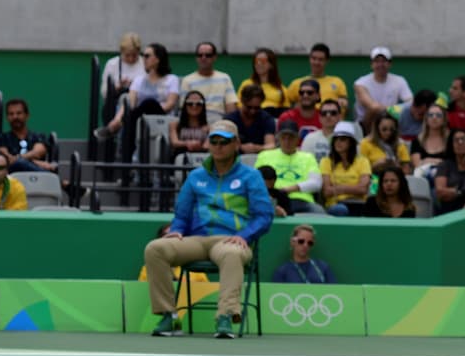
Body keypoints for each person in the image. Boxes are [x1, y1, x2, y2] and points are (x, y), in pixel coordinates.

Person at [143, 118, 272, 338]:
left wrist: (245, 236)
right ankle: (169, 316)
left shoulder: (251, 176)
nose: (219, 146)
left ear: (236, 144)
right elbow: (182, 214)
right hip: (197, 240)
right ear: (208, 144)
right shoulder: (196, 177)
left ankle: (225, 317)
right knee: (155, 249)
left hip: (231, 240)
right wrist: (177, 230)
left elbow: (264, 216)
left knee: (231, 254)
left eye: (225, 142)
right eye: (215, 141)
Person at [101, 43, 179, 172]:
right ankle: (118, 128)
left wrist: (147, 110)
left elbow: (170, 104)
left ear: (158, 59)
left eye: (147, 55)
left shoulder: (171, 79)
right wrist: (118, 118)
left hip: (161, 117)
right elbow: (130, 102)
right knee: (133, 114)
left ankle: (115, 132)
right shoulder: (139, 80)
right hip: (139, 119)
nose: (144, 59)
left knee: (149, 103)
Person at [255, 122, 325, 214]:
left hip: (301, 200)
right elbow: (256, 180)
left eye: (291, 138)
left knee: (319, 212)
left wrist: (287, 189)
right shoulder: (265, 155)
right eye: (283, 138)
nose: (287, 142)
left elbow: (316, 183)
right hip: (272, 199)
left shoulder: (308, 157)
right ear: (278, 138)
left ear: (297, 139)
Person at [319, 122, 371, 217]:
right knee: (341, 210)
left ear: (351, 142)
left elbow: (363, 189)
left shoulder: (363, 161)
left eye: (342, 139)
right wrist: (353, 188)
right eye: (336, 139)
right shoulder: (326, 162)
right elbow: (326, 191)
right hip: (335, 204)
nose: (338, 142)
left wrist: (338, 188)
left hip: (358, 204)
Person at [354, 46, 413, 128]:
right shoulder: (360, 83)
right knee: (373, 110)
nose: (380, 64)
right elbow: (373, 107)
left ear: (390, 64)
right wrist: (394, 110)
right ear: (371, 64)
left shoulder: (399, 80)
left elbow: (411, 102)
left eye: (384, 61)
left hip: (390, 122)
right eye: (377, 61)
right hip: (365, 125)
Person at [0, 99, 56, 173]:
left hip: (36, 178)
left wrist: (19, 159)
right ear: (7, 117)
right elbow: (5, 158)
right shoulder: (1, 138)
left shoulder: (38, 136)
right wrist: (35, 162)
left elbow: (37, 153)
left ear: (27, 115)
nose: (15, 117)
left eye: (19, 113)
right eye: (11, 114)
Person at [100, 32, 146, 129]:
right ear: (121, 51)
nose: (131, 59)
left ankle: (115, 126)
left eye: (134, 55)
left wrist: (135, 86)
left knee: (128, 99)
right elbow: (104, 93)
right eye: (127, 55)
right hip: (114, 105)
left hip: (138, 104)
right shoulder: (112, 64)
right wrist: (117, 87)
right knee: (125, 99)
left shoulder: (144, 64)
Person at [272, 224, 336, 283]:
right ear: (292, 242)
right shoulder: (282, 271)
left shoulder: (323, 267)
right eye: (301, 241)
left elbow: (335, 292)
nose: (305, 245)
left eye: (309, 243)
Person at [238, 47, 287, 113]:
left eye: (263, 61)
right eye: (256, 61)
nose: (259, 63)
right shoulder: (247, 84)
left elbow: (286, 109)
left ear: (271, 64)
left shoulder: (280, 87)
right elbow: (239, 105)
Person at [168, 91, 211, 159]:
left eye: (199, 103)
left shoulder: (210, 128)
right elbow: (174, 142)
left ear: (203, 106)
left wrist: (197, 146)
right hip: (179, 159)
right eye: (190, 103)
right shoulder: (174, 125)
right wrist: (188, 143)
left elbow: (207, 146)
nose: (194, 106)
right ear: (185, 105)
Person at [235, 86, 276, 154]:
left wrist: (256, 148)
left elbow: (271, 145)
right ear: (242, 101)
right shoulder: (231, 119)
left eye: (257, 108)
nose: (252, 111)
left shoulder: (267, 119)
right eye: (249, 107)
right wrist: (241, 147)